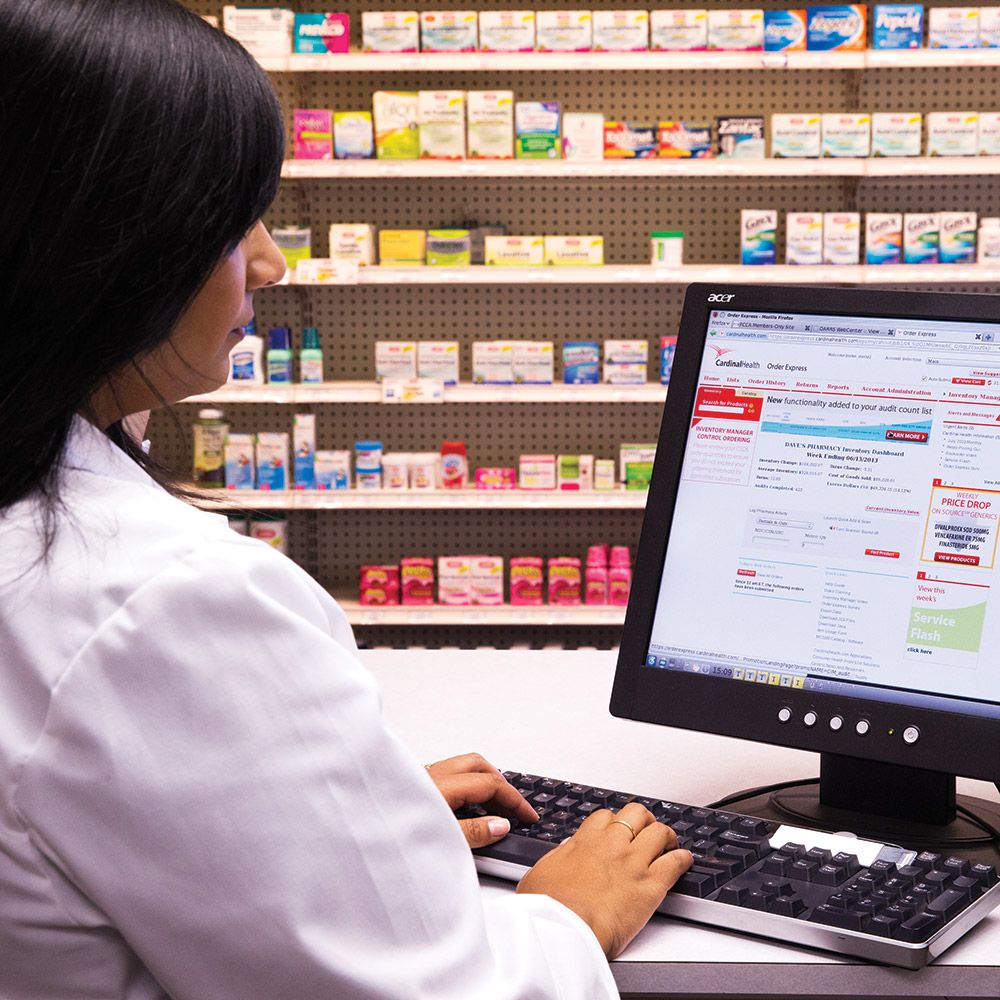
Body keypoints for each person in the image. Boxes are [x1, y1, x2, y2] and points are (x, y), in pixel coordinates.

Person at [0, 2, 693, 997]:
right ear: (111, 249)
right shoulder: (160, 599)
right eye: (234, 221)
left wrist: (307, 819)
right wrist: (568, 918)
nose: (272, 264)